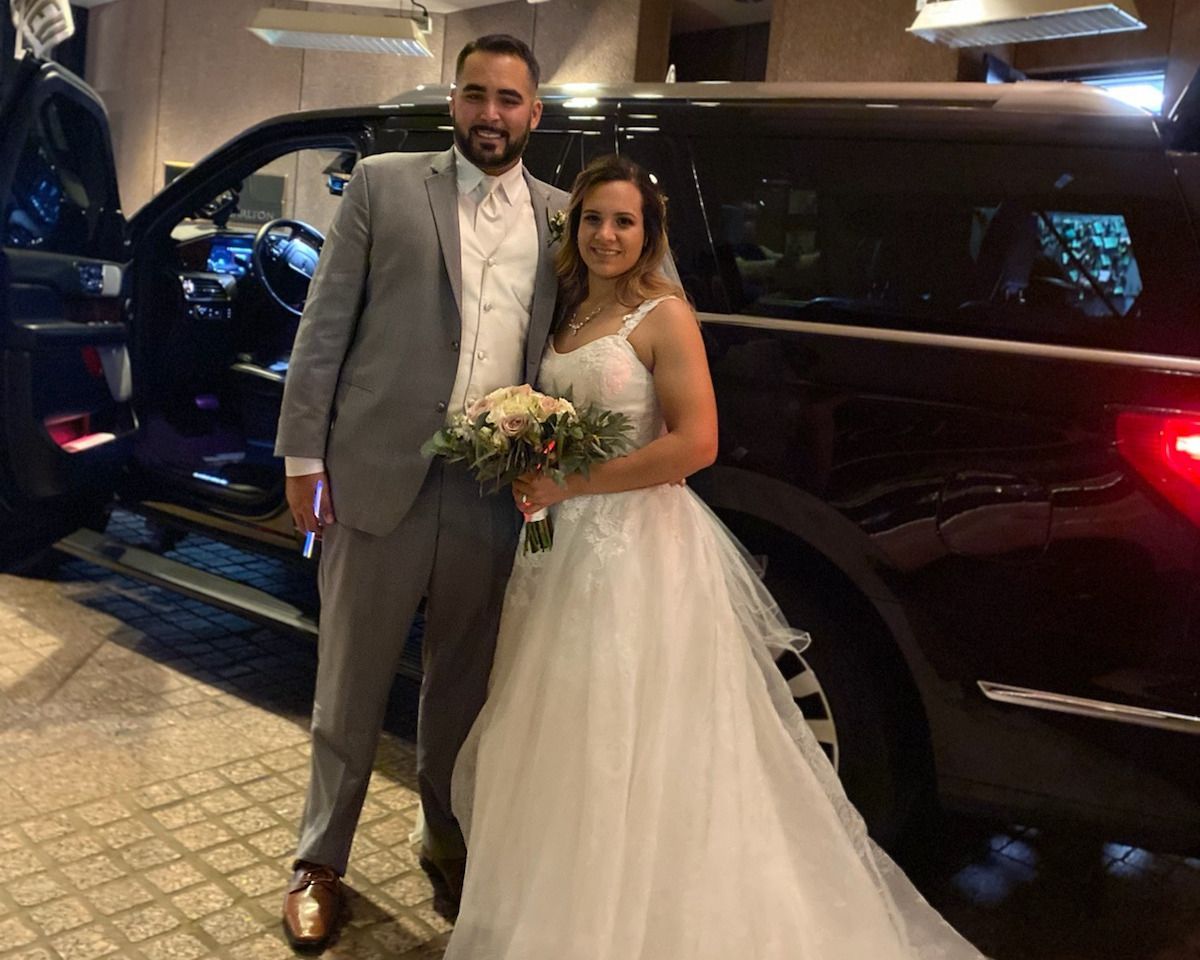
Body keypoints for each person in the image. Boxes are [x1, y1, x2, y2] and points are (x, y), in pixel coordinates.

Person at [442, 155, 991, 959]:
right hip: (561, 550)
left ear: (648, 232)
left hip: (637, 548)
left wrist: (572, 483)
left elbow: (694, 445)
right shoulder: (565, 312)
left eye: (624, 222)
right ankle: (558, 908)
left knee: (639, 732)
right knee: (562, 727)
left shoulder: (663, 315)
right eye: (593, 219)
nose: (606, 235)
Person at [273, 34, 568, 950]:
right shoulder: (385, 184)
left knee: (463, 691)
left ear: (535, 113)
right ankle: (319, 860)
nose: (491, 113)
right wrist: (302, 458)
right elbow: (325, 326)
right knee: (349, 684)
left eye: (509, 99)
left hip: (491, 488)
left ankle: (446, 839)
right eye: (476, 94)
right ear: (454, 101)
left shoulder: (564, 220)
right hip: (375, 471)